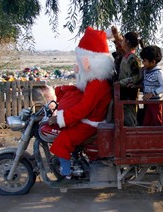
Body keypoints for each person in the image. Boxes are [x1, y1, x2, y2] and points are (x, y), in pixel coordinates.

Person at [47, 26, 114, 186]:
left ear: (89, 60)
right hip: (92, 118)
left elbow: (84, 108)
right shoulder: (95, 79)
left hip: (91, 122)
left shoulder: (97, 83)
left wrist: (60, 118)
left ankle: (67, 174)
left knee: (62, 140)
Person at [112, 28, 142, 126]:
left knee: (129, 118)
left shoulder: (133, 58)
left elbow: (136, 77)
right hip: (123, 91)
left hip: (129, 93)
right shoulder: (125, 56)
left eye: (123, 39)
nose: (121, 42)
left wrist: (120, 82)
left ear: (127, 41)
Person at [140, 45, 163, 126]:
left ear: (153, 62)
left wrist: (151, 93)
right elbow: (145, 83)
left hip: (156, 102)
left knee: (158, 120)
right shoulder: (146, 71)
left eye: (144, 61)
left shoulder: (158, 72)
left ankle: (160, 136)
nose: (143, 63)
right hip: (149, 101)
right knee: (147, 121)